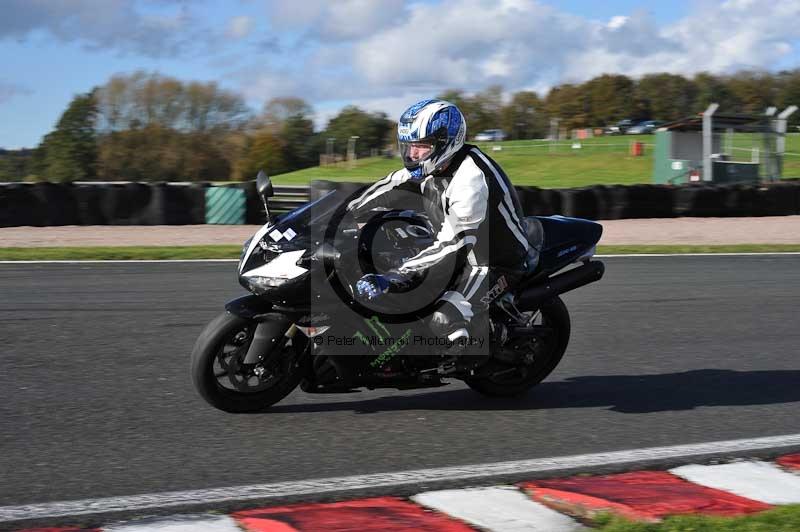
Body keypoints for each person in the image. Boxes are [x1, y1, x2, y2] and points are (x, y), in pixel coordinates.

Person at [347, 98, 535, 355]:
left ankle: (480, 348)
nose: (412, 154)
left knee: (443, 317)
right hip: (456, 245)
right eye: (409, 145)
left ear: (446, 143)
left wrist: (393, 277)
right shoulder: (431, 166)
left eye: (421, 146)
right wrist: (340, 213)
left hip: (490, 262)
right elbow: (387, 187)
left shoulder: (471, 179)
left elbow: (453, 245)